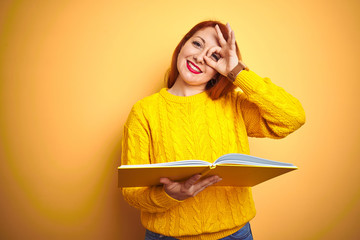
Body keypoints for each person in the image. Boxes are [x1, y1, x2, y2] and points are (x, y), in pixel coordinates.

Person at [121, 20, 305, 240]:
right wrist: (169, 196)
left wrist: (237, 72)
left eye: (214, 56)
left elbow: (292, 117)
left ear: (220, 71)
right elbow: (132, 193)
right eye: (197, 44)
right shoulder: (144, 112)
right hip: (167, 236)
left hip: (235, 234)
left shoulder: (234, 104)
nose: (200, 57)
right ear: (181, 47)